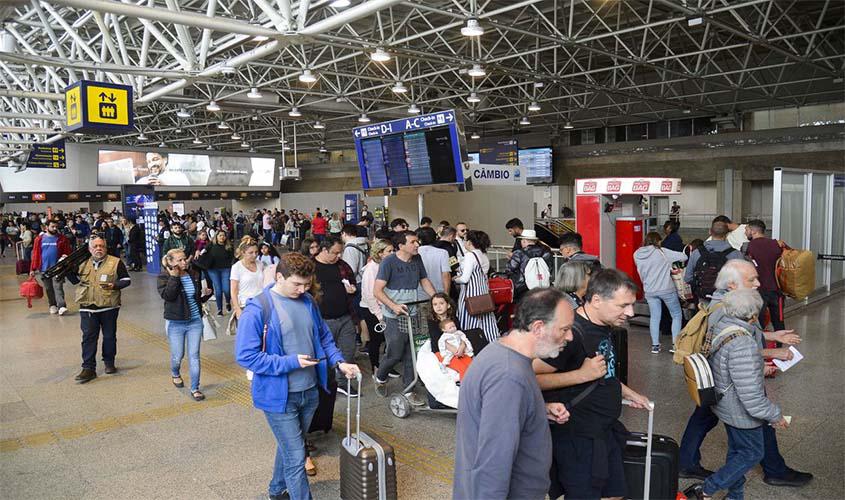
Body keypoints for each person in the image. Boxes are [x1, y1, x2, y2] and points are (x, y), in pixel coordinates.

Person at [234, 253, 361, 500]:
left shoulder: (308, 302)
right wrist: (290, 362)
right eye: (296, 284)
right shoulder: (258, 308)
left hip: (310, 390)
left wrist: (339, 362)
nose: (302, 289)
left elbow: (323, 337)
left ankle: (276, 490)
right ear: (279, 277)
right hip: (279, 397)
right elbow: (246, 356)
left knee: (290, 445)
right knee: (296, 456)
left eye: (306, 284)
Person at [678, 259, 810, 487]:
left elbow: (743, 334)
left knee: (705, 418)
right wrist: (772, 352)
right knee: (754, 425)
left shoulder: (730, 302)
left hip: (720, 380)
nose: (758, 283)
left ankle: (688, 463)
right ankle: (771, 470)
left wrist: (773, 337)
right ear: (731, 285)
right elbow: (737, 346)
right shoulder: (722, 309)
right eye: (751, 279)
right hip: (728, 383)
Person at [533, 269, 651, 500]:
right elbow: (530, 377)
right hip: (578, 437)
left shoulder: (602, 326)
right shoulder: (571, 335)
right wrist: (581, 376)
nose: (630, 312)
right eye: (622, 305)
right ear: (596, 300)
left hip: (602, 430)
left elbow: (602, 372)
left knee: (614, 494)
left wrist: (627, 392)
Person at [453, 288, 573, 500]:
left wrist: (536, 410)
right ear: (538, 327)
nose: (569, 337)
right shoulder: (508, 376)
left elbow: (495, 412)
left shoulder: (503, 353)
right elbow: (493, 464)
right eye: (564, 329)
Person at [684, 288, 789, 500]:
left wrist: (758, 367)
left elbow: (729, 366)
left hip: (724, 402)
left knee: (737, 453)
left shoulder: (721, 325)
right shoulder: (743, 343)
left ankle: (735, 496)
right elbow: (751, 396)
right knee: (752, 453)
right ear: (753, 315)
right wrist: (775, 414)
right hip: (740, 412)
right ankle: (706, 489)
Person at [372, 230, 437, 406]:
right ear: (401, 246)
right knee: (395, 352)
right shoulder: (388, 262)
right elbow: (377, 291)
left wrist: (436, 298)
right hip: (394, 316)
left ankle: (409, 390)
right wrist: (393, 306)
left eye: (418, 241)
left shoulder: (417, 259)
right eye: (413, 242)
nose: (417, 245)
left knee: (412, 353)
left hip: (413, 313)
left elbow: (424, 281)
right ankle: (380, 377)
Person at [65, 235, 132, 383]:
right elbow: (74, 280)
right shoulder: (82, 262)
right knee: (88, 337)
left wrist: (115, 285)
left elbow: (126, 280)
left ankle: (109, 362)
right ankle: (88, 368)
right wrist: (67, 267)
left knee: (109, 337)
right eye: (95, 246)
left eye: (101, 246)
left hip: (109, 306)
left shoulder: (115, 262)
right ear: (89, 249)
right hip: (87, 306)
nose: (98, 249)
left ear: (106, 248)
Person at [158, 248, 212, 400]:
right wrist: (174, 277)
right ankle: (175, 372)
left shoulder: (194, 274)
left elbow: (197, 298)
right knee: (177, 355)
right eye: (179, 260)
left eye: (184, 259)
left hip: (195, 321)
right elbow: (168, 296)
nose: (184, 262)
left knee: (194, 355)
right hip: (175, 323)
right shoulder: (164, 276)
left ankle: (195, 388)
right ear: (170, 262)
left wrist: (206, 294)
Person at [312, 237, 360, 397]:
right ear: (324, 250)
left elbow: (352, 283)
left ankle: (343, 383)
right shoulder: (310, 267)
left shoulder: (342, 266)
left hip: (346, 316)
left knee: (348, 352)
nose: (338, 256)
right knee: (323, 355)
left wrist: (352, 289)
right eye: (335, 252)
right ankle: (324, 385)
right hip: (322, 319)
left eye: (340, 252)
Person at [634, 231, 688, 354]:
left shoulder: (636, 254)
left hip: (649, 290)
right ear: (657, 241)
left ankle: (655, 346)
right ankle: (675, 345)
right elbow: (684, 256)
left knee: (655, 317)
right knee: (676, 315)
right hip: (666, 289)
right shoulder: (662, 252)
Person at [454, 230, 500, 344]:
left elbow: (465, 279)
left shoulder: (470, 255)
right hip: (483, 295)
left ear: (469, 242)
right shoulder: (483, 255)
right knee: (487, 323)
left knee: (470, 322)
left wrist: (455, 279)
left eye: (465, 240)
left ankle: (472, 346)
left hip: (470, 296)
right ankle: (491, 345)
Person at [685, 221, 744, 302]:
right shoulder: (736, 254)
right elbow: (742, 279)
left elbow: (688, 278)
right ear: (727, 234)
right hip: (728, 298)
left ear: (710, 231)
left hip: (703, 296)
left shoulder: (697, 253)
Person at [744, 220, 785, 331]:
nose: (745, 233)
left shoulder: (750, 246)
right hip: (777, 290)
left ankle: (760, 346)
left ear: (753, 231)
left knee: (758, 323)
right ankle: (780, 345)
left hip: (758, 291)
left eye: (746, 230)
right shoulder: (777, 244)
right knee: (778, 321)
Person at [359, 239, 394, 372]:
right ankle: (376, 367)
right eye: (389, 251)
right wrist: (379, 315)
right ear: (380, 253)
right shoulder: (372, 268)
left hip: (384, 306)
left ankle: (386, 366)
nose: (393, 253)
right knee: (376, 339)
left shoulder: (386, 265)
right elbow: (369, 295)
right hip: (371, 309)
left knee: (387, 338)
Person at [30, 219, 72, 315]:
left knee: (58, 287)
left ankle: (62, 306)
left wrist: (66, 257)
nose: (55, 228)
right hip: (44, 269)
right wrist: (32, 269)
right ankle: (52, 305)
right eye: (52, 226)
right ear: (46, 227)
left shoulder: (62, 239)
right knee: (49, 288)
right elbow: (35, 254)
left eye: (56, 227)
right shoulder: (39, 239)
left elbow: (67, 252)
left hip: (58, 268)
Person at [506, 229, 553, 299]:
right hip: (543, 285)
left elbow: (510, 269)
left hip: (523, 288)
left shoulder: (519, 253)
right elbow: (550, 268)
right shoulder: (546, 252)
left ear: (524, 241)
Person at [231, 239, 265, 319]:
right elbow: (233, 291)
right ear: (243, 253)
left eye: (256, 252)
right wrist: (237, 309)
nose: (254, 255)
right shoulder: (237, 267)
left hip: (262, 304)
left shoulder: (260, 264)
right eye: (251, 253)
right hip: (245, 305)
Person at [416, 227, 451, 298]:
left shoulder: (415, 252)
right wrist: (446, 293)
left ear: (419, 240)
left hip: (419, 294)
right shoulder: (443, 253)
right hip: (439, 293)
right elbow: (446, 274)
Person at [206, 231, 234, 315]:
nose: (222, 237)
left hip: (226, 269)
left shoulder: (229, 246)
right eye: (220, 235)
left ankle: (228, 302)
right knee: (218, 290)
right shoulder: (211, 245)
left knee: (226, 289)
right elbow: (203, 251)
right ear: (216, 236)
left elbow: (232, 257)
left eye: (224, 236)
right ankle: (219, 309)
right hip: (213, 269)